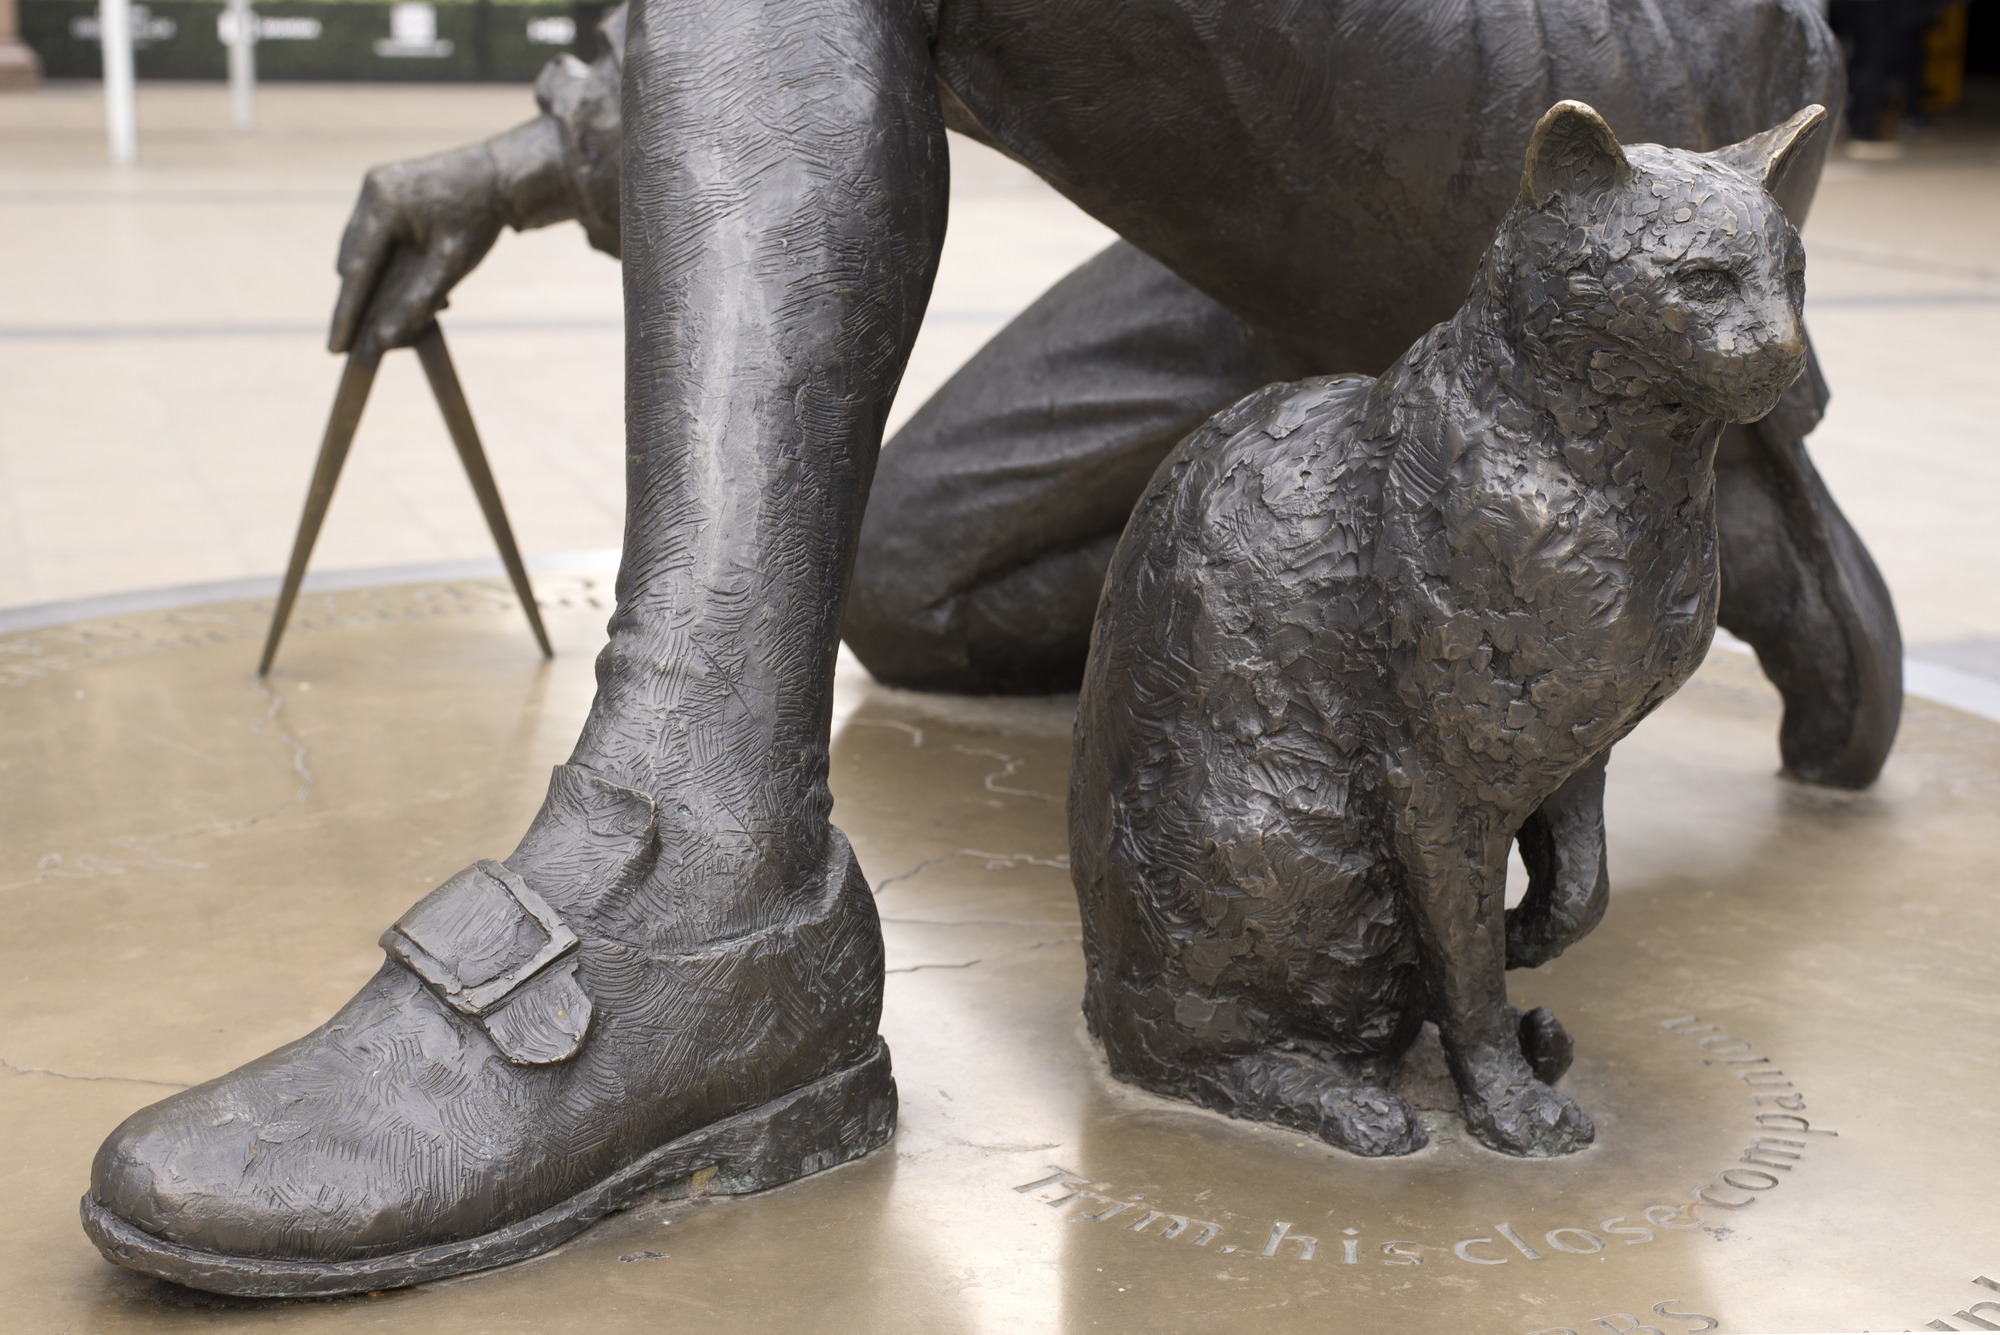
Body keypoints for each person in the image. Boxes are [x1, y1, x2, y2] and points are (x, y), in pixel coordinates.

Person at [81, 0, 1900, 1296]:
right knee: (910, 575)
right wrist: (546, 150)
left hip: (1620, 51)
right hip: (1383, 129)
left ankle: (694, 866)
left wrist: (554, 133)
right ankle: (1600, 449)